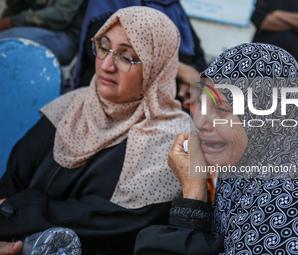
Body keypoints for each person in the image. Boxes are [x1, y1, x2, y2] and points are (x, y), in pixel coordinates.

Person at [0, 6, 191, 254]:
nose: (106, 65)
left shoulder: (173, 138)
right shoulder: (73, 106)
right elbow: (14, 177)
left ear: (156, 67)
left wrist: (16, 213)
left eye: (125, 56)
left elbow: (117, 223)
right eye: (104, 47)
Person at [133, 43, 298, 254]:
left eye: (222, 108)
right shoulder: (238, 174)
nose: (200, 121)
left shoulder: (297, 208)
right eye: (202, 101)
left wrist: (192, 201)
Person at [69, 0, 206, 111]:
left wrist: (188, 82)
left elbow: (198, 57)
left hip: (169, 94)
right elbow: (106, 52)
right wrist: (181, 72)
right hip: (118, 91)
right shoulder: (111, 3)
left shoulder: (171, 5)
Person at [0, 0, 88, 66]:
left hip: (67, 36)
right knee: (5, 42)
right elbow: (15, 9)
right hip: (39, 30)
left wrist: (12, 21)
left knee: (7, 41)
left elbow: (61, 16)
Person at [251, 0, 298, 76]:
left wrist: (277, 14)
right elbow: (262, 21)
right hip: (262, 62)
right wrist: (296, 26)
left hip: (292, 65)